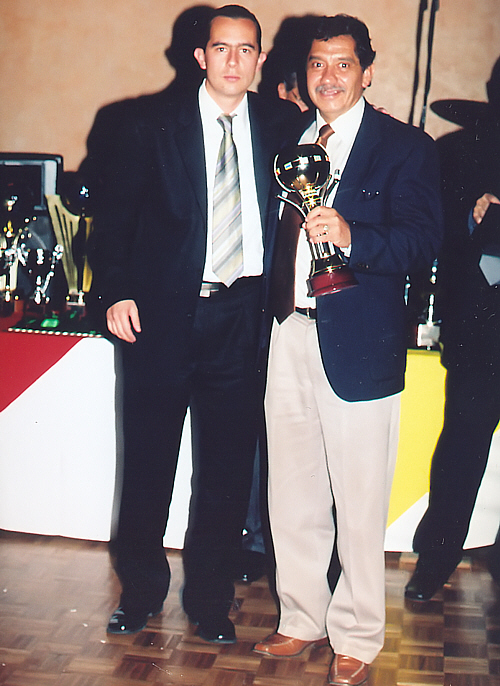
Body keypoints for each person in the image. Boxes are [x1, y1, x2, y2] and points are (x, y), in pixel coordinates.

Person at [87, 4, 300, 642]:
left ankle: (210, 602)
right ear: (201, 56)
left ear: (262, 60)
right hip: (161, 316)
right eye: (222, 49)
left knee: (228, 469)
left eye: (246, 49)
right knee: (149, 461)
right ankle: (140, 594)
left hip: (244, 316)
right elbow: (114, 221)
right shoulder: (146, 124)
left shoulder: (284, 125)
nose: (234, 61)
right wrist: (117, 291)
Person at [252, 14, 443, 685]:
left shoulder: (405, 147)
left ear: (367, 72)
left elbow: (422, 242)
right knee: (291, 491)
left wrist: (354, 236)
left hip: (360, 341)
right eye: (316, 64)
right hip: (288, 331)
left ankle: (358, 632)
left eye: (342, 64)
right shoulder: (289, 140)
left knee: (359, 501)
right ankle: (301, 617)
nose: (328, 77)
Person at [405, 59, 500, 602]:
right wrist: (474, 213)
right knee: (463, 445)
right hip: (482, 328)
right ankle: (437, 557)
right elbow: (433, 232)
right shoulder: (461, 151)